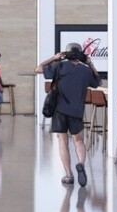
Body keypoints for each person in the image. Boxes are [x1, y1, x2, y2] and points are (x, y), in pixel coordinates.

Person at [37, 43, 100, 187]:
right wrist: (90, 64)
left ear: (67, 53)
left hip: (59, 110)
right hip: (77, 110)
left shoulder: (59, 66)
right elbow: (97, 82)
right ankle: (81, 163)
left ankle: (69, 174)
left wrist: (54, 58)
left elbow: (38, 69)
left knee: (62, 141)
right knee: (79, 141)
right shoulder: (85, 71)